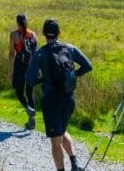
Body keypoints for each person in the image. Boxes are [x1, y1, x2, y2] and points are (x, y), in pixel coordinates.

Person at [25, 19, 93, 171]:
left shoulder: (40, 54)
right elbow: (88, 66)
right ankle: (74, 164)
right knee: (62, 131)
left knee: (56, 140)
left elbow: (29, 80)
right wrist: (74, 74)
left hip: (51, 101)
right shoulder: (70, 48)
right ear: (59, 33)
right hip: (69, 99)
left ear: (43, 33)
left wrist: (43, 78)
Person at [7, 13, 38, 130]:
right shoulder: (33, 34)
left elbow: (11, 53)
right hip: (32, 67)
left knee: (19, 92)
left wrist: (10, 71)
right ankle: (32, 121)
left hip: (20, 66)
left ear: (17, 22)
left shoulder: (14, 35)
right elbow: (36, 53)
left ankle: (28, 109)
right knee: (30, 92)